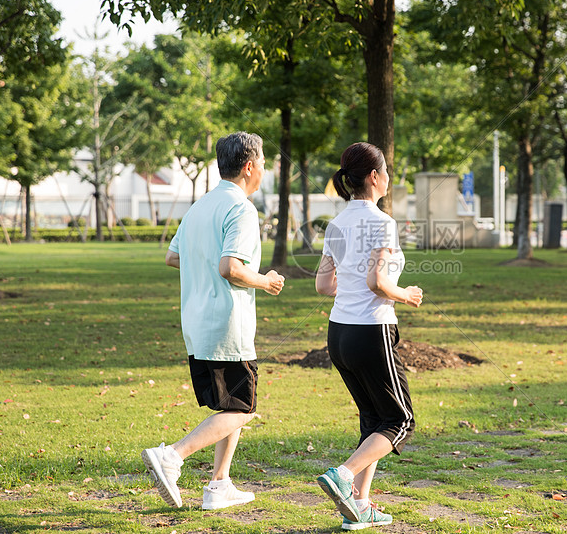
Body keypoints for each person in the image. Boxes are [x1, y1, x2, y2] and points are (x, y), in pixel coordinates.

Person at [141, 132, 285, 510]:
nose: (265, 169)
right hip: (227, 325)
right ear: (249, 166)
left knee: (230, 407)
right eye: (265, 162)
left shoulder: (199, 206)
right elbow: (231, 268)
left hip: (197, 323)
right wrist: (266, 281)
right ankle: (171, 455)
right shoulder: (241, 208)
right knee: (243, 408)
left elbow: (174, 258)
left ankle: (220, 484)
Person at [314, 142, 423, 531]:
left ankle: (359, 507)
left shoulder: (337, 223)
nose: (389, 178)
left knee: (374, 419)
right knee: (400, 420)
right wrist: (405, 294)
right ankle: (343, 476)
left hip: (338, 334)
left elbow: (324, 285)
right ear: (374, 177)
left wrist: (356, 287)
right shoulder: (382, 222)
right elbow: (377, 282)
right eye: (387, 172)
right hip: (371, 330)